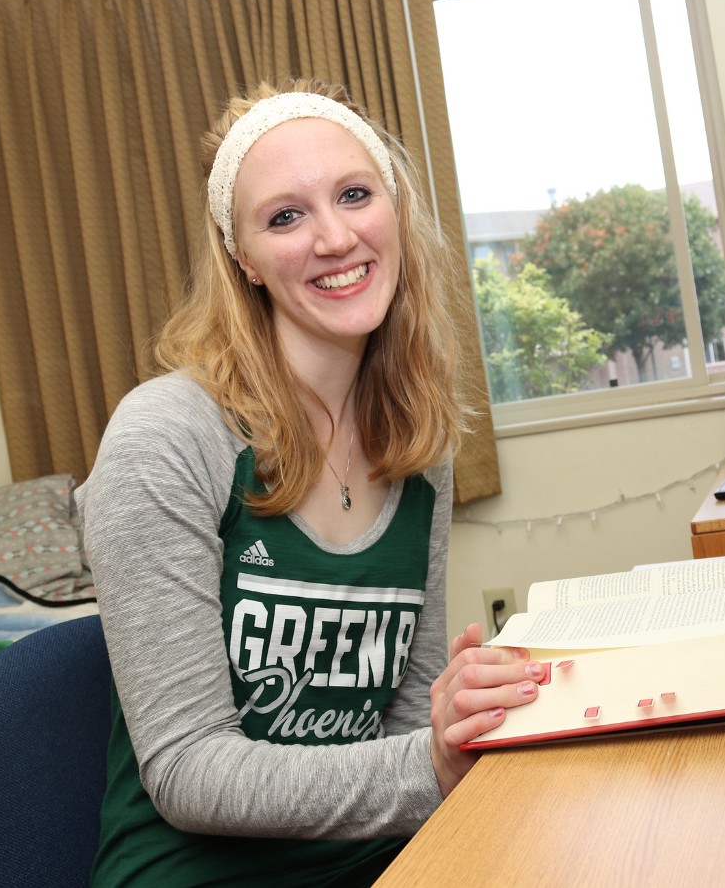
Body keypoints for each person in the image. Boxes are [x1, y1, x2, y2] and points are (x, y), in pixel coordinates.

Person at [77, 79, 541, 886]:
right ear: (242, 257)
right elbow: (188, 768)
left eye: (355, 194)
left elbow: (400, 717)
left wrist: (455, 715)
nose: (334, 236)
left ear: (392, 212)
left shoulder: (417, 443)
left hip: (381, 858)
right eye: (285, 216)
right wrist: (429, 762)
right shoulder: (165, 439)